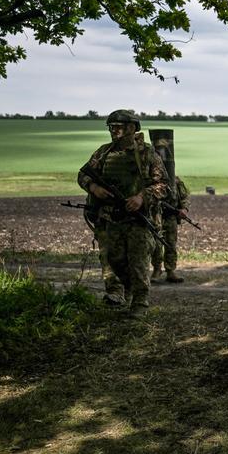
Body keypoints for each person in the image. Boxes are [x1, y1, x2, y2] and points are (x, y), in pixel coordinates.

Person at [77, 109, 169, 315]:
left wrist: (141, 198)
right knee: (114, 261)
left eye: (118, 127)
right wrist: (94, 188)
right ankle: (121, 293)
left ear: (131, 128)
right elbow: (83, 175)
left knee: (138, 262)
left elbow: (163, 184)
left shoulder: (147, 154)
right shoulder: (103, 152)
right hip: (110, 218)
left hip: (139, 219)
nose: (113, 131)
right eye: (111, 127)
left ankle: (140, 302)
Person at [152, 174, 190, 283]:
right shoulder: (153, 180)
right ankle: (156, 269)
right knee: (156, 245)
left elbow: (184, 197)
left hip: (171, 217)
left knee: (171, 244)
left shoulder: (176, 181)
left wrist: (184, 209)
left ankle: (170, 271)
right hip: (156, 216)